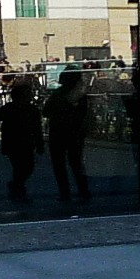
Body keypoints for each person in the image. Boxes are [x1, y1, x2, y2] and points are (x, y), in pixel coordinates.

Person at [45, 70, 93, 204]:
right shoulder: (80, 96)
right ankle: (83, 191)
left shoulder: (57, 95)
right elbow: (83, 114)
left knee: (59, 164)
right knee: (76, 163)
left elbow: (46, 111)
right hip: (74, 133)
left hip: (58, 132)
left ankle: (65, 192)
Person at [0, 74, 45, 202]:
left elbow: (37, 129)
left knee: (23, 167)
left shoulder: (20, 109)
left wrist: (40, 144)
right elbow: (37, 130)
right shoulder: (27, 109)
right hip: (21, 143)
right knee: (24, 167)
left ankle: (17, 186)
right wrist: (40, 145)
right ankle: (18, 186)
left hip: (18, 143)